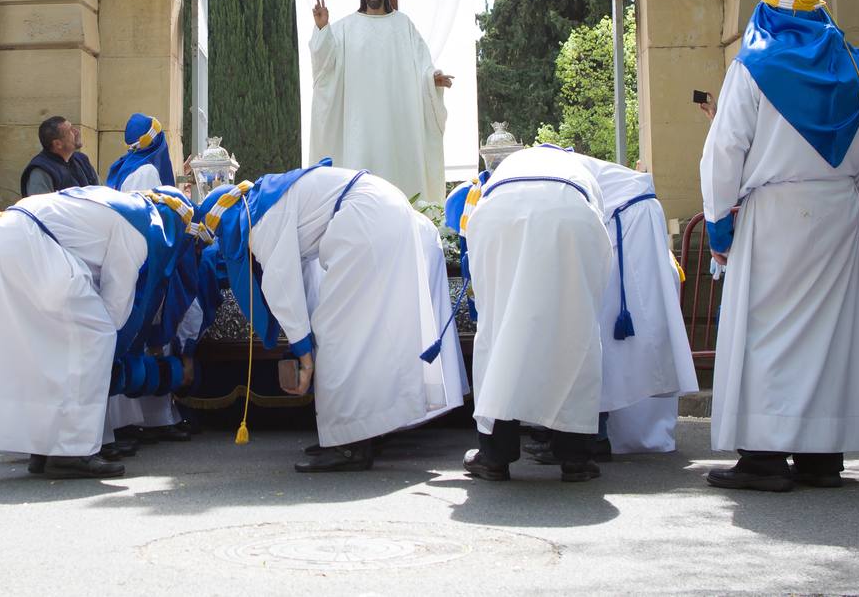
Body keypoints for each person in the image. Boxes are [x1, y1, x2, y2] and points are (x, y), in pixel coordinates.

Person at [699, 0, 859, 492]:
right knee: (828, 335)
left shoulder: (752, 65)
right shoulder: (858, 70)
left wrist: (718, 226)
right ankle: (821, 455)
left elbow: (724, 151)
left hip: (775, 214)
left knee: (767, 333)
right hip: (838, 212)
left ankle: (763, 456)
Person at [199, 162, 466, 472]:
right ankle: (361, 432)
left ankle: (350, 445)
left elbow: (282, 286)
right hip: (379, 213)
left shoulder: (260, 220)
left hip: (366, 220)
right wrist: (301, 339)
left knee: (335, 334)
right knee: (363, 336)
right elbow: (304, 280)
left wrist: (304, 355)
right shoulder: (269, 200)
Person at [0, 186, 202, 478]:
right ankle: (71, 451)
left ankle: (43, 446)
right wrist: (110, 358)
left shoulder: (117, 203)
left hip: (7, 237)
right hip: (35, 244)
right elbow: (116, 306)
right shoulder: (140, 227)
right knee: (95, 337)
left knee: (45, 351)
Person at [454, 145, 612, 483]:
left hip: (498, 213)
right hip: (571, 212)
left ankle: (495, 455)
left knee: (499, 331)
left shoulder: (511, 166)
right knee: (575, 328)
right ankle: (576, 456)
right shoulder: (580, 169)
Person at [572, 149, 699, 455]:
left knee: (611, 338)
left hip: (625, 224)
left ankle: (599, 434)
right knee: (636, 335)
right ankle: (618, 432)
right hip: (632, 220)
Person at [308, 0, 451, 202]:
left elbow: (421, 63)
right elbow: (325, 67)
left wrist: (430, 79)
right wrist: (323, 28)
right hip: (359, 124)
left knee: (399, 179)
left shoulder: (403, 25)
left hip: (396, 122)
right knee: (361, 179)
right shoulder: (345, 28)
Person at [101, 114, 185, 437]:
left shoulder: (122, 166)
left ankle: (143, 419)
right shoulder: (147, 171)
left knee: (133, 336)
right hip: (147, 259)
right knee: (147, 337)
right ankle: (148, 419)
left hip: (127, 258)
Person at [21, 116, 98, 196]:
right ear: (58, 144)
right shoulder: (41, 171)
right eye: (70, 131)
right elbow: (40, 203)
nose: (77, 132)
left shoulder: (82, 160)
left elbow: (100, 193)